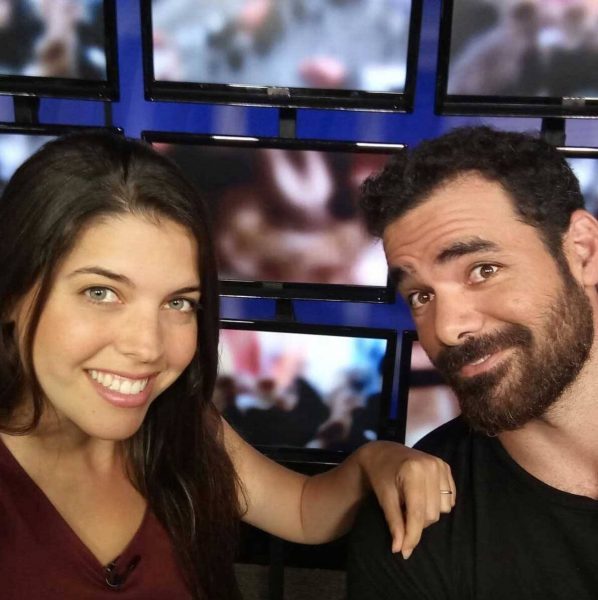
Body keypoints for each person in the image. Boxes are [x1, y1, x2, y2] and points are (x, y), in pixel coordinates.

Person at [0, 131, 455, 600]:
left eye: (178, 302)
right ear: (11, 294)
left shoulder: (182, 426)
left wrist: (378, 460)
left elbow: (303, 510)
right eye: (101, 293)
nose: (147, 347)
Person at [347, 125, 598, 599]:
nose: (446, 329)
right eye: (421, 296)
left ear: (582, 253)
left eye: (483, 270)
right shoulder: (416, 527)